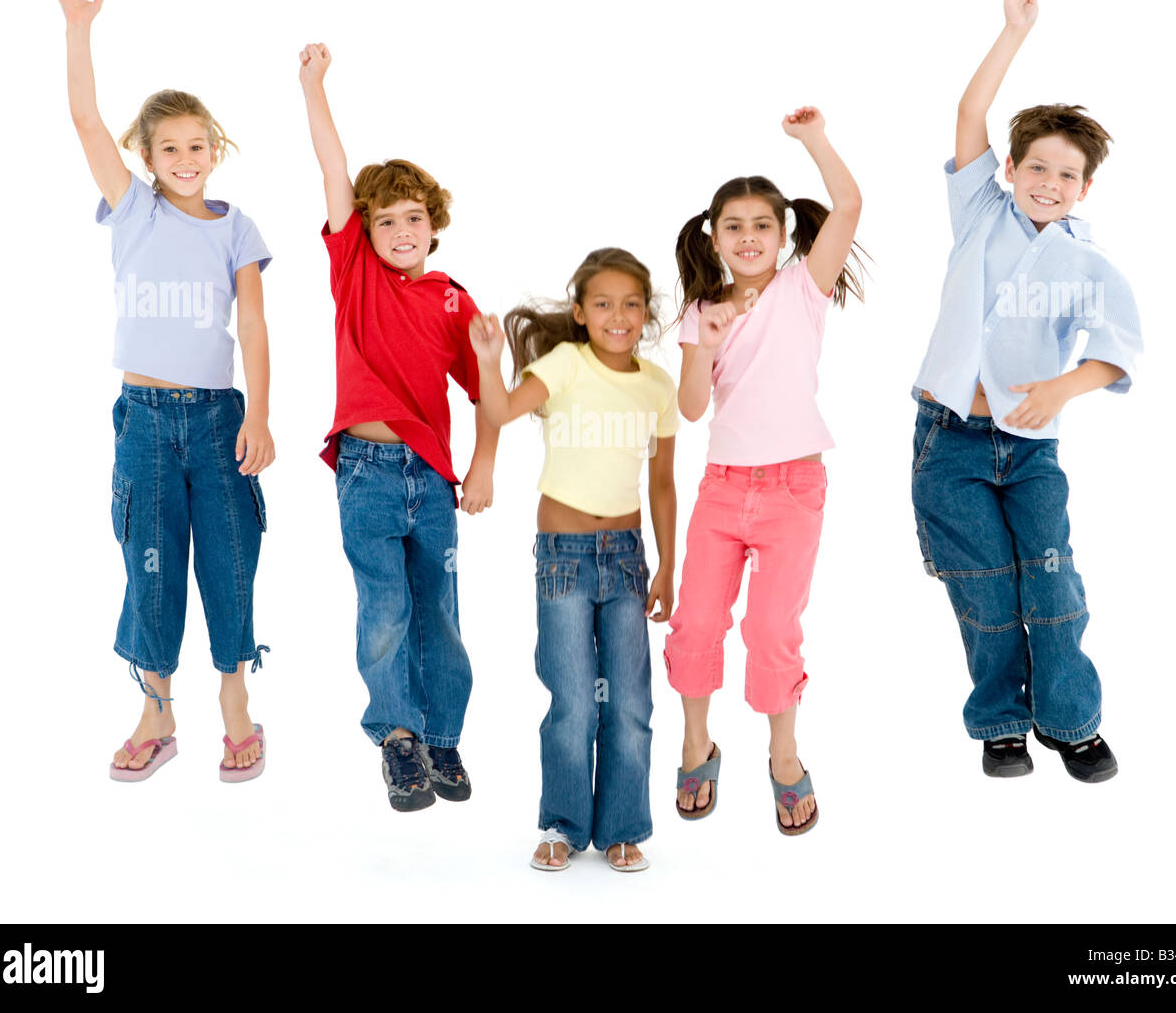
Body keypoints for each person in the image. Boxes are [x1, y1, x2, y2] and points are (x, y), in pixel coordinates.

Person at [910, 0, 1143, 782]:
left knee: (1051, 577)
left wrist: (1061, 389)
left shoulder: (1085, 258)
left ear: (1086, 186)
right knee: (986, 590)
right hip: (950, 442)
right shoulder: (979, 211)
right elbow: (970, 112)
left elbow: (1121, 348)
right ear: (1009, 167)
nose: (1048, 183)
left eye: (1066, 174)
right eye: (1036, 166)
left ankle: (1071, 720)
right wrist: (1014, 32)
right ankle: (1002, 721)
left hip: (1030, 446)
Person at [58, 0, 275, 783]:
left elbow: (251, 324)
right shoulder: (134, 209)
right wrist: (79, 26)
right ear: (146, 158)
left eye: (198, 144)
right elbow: (85, 121)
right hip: (145, 418)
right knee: (148, 558)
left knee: (228, 555)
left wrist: (261, 413)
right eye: (169, 148)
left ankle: (234, 700)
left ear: (215, 148)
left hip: (220, 419)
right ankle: (156, 704)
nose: (186, 159)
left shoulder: (237, 227)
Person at [298, 42, 499, 811]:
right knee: (383, 605)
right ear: (368, 229)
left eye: (415, 218)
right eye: (387, 220)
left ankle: (442, 733)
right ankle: (397, 738)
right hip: (365, 473)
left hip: (434, 480)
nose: (402, 230)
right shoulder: (355, 272)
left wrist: (482, 466)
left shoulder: (451, 298)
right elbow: (331, 170)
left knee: (439, 611)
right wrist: (314, 86)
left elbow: (491, 393)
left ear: (433, 225)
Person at [664, 107, 864, 835]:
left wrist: (812, 139)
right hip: (722, 490)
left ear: (782, 236)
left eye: (762, 225)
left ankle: (784, 755)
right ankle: (696, 741)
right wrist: (702, 343)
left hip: (792, 491)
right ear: (714, 237)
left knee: (773, 629)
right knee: (696, 626)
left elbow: (848, 205)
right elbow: (690, 409)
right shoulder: (702, 308)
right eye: (733, 226)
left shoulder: (802, 287)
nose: (748, 237)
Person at [469, 249, 677, 872]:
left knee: (629, 704)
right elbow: (502, 411)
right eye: (604, 304)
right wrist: (488, 360)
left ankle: (621, 828)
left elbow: (663, 483)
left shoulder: (657, 386)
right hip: (562, 559)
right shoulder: (565, 364)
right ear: (582, 313)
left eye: (631, 304)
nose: (619, 315)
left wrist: (668, 564)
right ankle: (561, 823)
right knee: (573, 701)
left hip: (626, 561)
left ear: (646, 313)